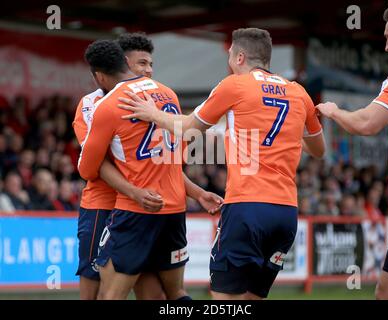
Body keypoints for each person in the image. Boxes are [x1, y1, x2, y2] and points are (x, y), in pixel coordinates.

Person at [117, 27, 325, 299]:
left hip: (248, 206)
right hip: (286, 212)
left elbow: (188, 128)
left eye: (229, 55)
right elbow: (318, 150)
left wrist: (153, 113)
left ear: (240, 57)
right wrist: (289, 130)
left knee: (225, 299)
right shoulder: (299, 93)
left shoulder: (234, 85)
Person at [77, 39, 222, 300]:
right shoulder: (167, 94)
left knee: (107, 295)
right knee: (168, 292)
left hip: (134, 209)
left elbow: (90, 167)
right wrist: (197, 193)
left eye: (150, 64)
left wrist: (135, 193)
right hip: (158, 206)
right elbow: (166, 160)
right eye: (142, 63)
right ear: (126, 63)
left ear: (99, 75)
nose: (148, 69)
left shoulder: (108, 106)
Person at [316, 0, 388, 300]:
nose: (385, 46)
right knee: (386, 292)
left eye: (387, 37)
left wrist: (333, 112)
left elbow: (367, 123)